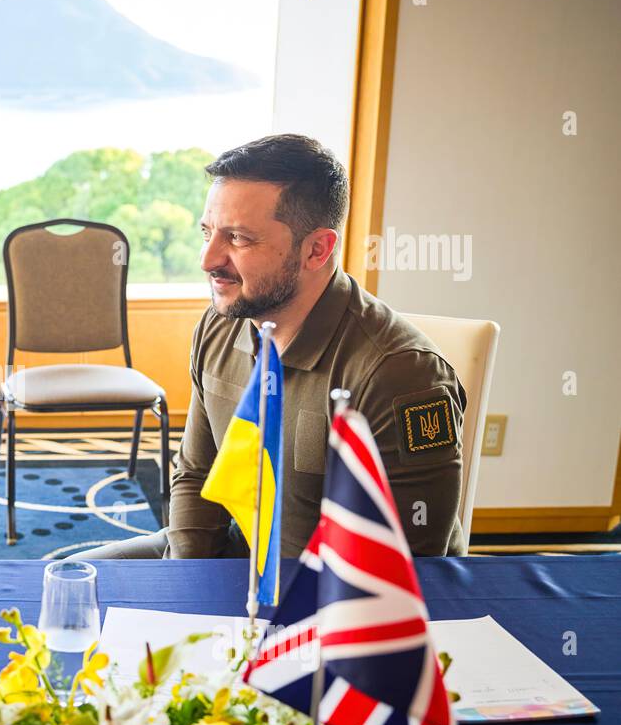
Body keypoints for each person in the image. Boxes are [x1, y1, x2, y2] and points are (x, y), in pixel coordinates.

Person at [80, 134, 467, 561]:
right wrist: (186, 584)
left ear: (317, 249)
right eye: (207, 232)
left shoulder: (401, 375)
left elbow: (407, 566)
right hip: (238, 560)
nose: (208, 260)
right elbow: (196, 474)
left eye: (239, 239)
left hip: (334, 595)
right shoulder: (221, 322)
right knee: (67, 580)